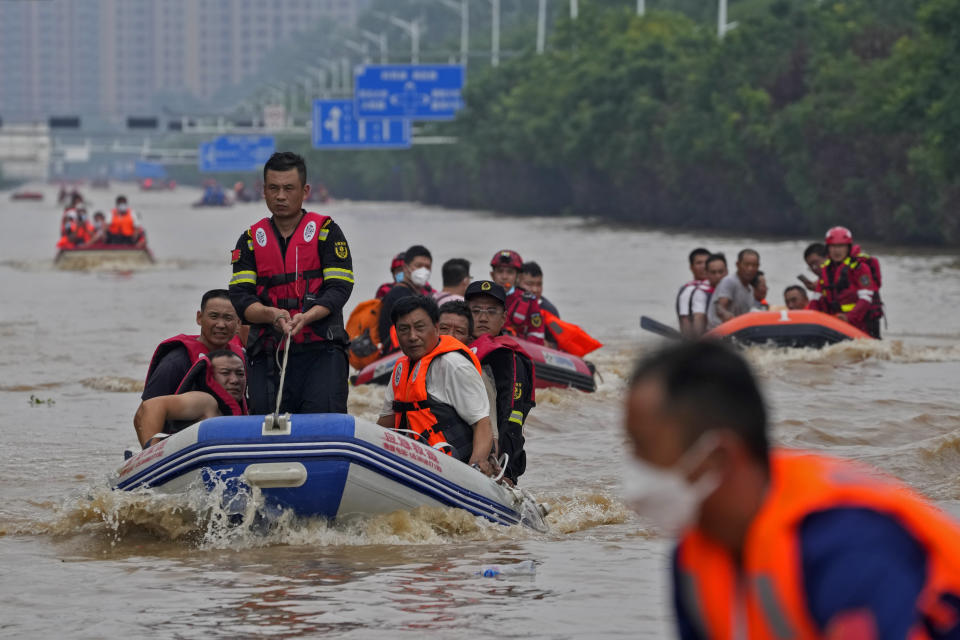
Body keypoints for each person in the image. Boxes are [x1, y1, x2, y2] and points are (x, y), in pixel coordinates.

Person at [622, 340, 960, 639]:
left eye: (645, 448)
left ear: (718, 457)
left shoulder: (846, 543)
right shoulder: (693, 559)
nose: (636, 473)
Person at [229, 151, 354, 415]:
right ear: (263, 191)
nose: (281, 196)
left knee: (322, 425)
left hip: (321, 351)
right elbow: (241, 299)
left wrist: (307, 317)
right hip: (268, 353)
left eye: (288, 188)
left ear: (305, 190)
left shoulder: (326, 232)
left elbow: (339, 289)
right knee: (265, 426)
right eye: (273, 188)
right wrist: (271, 314)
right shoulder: (250, 240)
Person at [376, 296, 497, 475]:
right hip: (417, 463)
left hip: (453, 465)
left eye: (419, 328)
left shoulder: (454, 365)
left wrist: (477, 466)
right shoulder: (402, 369)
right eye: (404, 329)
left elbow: (482, 423)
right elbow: (385, 425)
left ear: (436, 328)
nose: (412, 336)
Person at [465, 280, 536, 485]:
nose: (483, 317)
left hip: (494, 459)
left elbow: (512, 419)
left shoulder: (509, 359)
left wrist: (507, 470)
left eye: (492, 311)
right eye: (475, 310)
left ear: (504, 317)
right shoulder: (454, 349)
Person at [141, 289, 245, 403]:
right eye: (214, 316)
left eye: (228, 318)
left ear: (238, 323)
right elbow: (145, 413)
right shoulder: (175, 362)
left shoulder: (242, 359)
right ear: (199, 318)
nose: (221, 325)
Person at [135, 349, 248, 448]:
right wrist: (151, 453)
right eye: (225, 373)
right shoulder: (205, 401)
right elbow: (152, 406)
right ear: (210, 376)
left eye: (240, 374)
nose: (235, 380)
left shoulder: (245, 408)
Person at [806, 226, 881, 338]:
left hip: (861, 323)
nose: (837, 251)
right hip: (836, 322)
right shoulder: (826, 270)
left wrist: (848, 317)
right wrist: (806, 318)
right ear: (828, 248)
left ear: (848, 248)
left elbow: (866, 299)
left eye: (841, 246)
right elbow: (816, 299)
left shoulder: (860, 267)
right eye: (833, 246)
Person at [377, 245, 433, 355]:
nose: (424, 270)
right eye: (419, 265)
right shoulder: (399, 294)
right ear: (405, 267)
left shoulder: (416, 293)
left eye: (427, 267)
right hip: (395, 353)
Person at [489, 249, 545, 345]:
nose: (504, 277)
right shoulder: (483, 296)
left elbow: (537, 334)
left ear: (517, 276)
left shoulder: (529, 300)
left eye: (510, 272)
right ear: (492, 275)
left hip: (518, 350)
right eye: (500, 271)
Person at [706, 249, 760, 329]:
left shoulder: (750, 290)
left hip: (737, 331)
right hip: (718, 332)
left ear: (758, 267)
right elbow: (720, 308)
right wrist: (725, 314)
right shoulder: (729, 281)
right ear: (738, 264)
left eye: (754, 265)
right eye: (746, 265)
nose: (750, 269)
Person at [689, 253, 728, 337]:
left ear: (727, 272)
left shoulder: (738, 286)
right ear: (706, 273)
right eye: (713, 273)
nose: (718, 276)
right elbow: (699, 317)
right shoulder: (701, 293)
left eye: (721, 272)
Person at [677, 248, 711, 337]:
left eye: (706, 263)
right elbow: (685, 319)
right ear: (691, 267)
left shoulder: (717, 287)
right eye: (699, 263)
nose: (703, 266)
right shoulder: (689, 290)